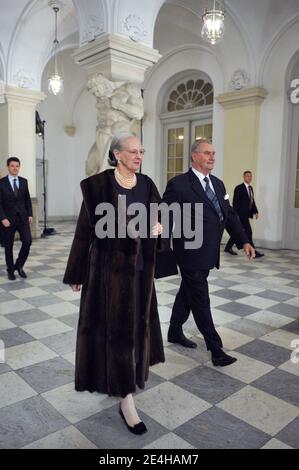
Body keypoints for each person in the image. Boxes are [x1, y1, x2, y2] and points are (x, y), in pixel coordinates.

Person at [63, 132, 165, 435]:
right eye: (133, 151)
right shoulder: (98, 187)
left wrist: (158, 227)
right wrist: (76, 272)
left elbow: (159, 216)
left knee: (134, 330)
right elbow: (85, 232)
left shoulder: (146, 184)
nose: (139, 156)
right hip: (108, 275)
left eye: (141, 151)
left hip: (139, 273)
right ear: (117, 154)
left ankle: (124, 382)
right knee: (116, 332)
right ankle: (126, 399)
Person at [163, 139, 255, 367]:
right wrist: (159, 247)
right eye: (206, 153)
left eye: (213, 153)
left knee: (188, 292)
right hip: (189, 252)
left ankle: (174, 331)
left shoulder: (218, 184)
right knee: (201, 299)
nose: (212, 157)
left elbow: (229, 214)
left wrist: (244, 241)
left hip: (209, 252)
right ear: (194, 156)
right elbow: (165, 217)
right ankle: (216, 349)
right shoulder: (179, 184)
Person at [0, 157, 33, 280]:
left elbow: (27, 199)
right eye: (12, 166)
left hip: (23, 218)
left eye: (17, 166)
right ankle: (10, 271)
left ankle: (18, 266)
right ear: (8, 167)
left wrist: (30, 214)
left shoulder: (24, 181)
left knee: (28, 241)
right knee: (8, 246)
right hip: (7, 220)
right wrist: (2, 218)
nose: (15, 168)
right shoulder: (1, 183)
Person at [224, 171, 264, 258]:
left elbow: (252, 202)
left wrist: (255, 211)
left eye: (250, 176)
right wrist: (235, 216)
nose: (249, 178)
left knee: (237, 232)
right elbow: (235, 202)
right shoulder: (239, 188)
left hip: (246, 215)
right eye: (247, 176)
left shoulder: (250, 188)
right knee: (248, 232)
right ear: (244, 177)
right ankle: (253, 252)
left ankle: (228, 247)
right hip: (240, 215)